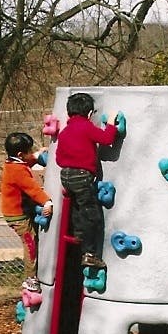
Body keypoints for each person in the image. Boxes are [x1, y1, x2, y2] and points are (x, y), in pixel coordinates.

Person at [54, 92, 119, 270]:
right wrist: (111, 124)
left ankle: (78, 236)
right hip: (82, 176)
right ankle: (90, 254)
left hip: (66, 175)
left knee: (78, 208)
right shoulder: (86, 127)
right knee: (92, 215)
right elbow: (107, 139)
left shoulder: (65, 132)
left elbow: (58, 159)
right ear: (90, 113)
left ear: (69, 113)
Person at [0, 131, 53, 293]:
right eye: (29, 151)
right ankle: (30, 278)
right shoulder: (17, 171)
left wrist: (37, 155)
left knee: (34, 239)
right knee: (30, 243)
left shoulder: (13, 163)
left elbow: (25, 162)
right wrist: (47, 201)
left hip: (19, 211)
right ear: (20, 154)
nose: (31, 153)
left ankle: (32, 275)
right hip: (18, 216)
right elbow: (32, 188)